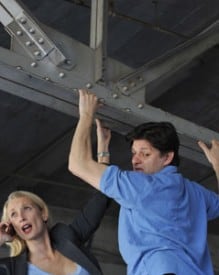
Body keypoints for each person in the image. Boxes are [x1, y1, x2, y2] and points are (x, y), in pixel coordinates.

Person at [68, 88, 219, 275]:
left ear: (167, 157)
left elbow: (77, 164)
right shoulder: (195, 192)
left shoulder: (142, 186)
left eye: (145, 154)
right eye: (134, 153)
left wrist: (86, 115)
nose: (135, 160)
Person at [0, 188, 109, 275]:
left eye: (27, 208)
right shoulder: (12, 269)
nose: (21, 217)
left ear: (43, 214)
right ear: (12, 227)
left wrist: (103, 163)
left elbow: (98, 204)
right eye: (14, 215)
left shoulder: (68, 238)